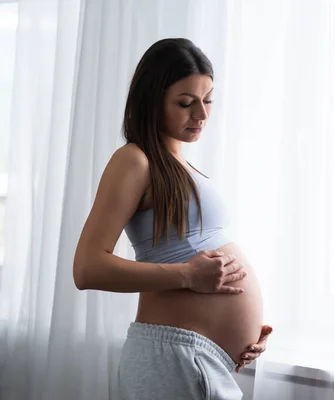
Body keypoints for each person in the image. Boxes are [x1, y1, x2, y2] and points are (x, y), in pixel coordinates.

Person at [73, 38, 270, 400]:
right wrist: (188, 276)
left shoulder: (180, 165)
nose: (202, 115)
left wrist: (245, 332)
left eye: (208, 99)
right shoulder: (135, 160)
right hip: (172, 355)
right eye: (185, 103)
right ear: (152, 101)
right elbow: (87, 268)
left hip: (201, 358)